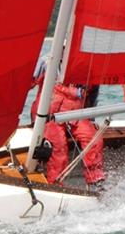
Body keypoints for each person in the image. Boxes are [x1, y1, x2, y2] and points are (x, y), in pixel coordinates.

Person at [30, 56, 105, 189]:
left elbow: (92, 95)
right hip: (48, 115)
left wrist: (92, 119)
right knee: (57, 146)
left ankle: (95, 180)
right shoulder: (48, 62)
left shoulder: (88, 66)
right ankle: (55, 184)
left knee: (93, 139)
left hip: (75, 114)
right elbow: (28, 83)